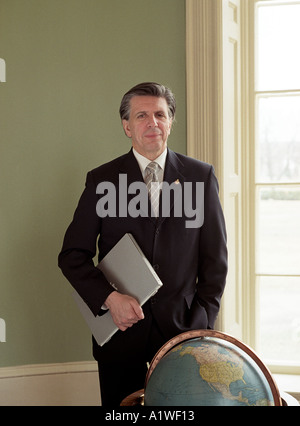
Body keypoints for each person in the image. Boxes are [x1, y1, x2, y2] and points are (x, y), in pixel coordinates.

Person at [58, 82, 227, 406]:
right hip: (120, 334)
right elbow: (71, 255)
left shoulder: (200, 177)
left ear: (170, 121)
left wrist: (200, 325)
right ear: (127, 126)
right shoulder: (101, 180)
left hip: (184, 335)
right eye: (142, 116)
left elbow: (215, 261)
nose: (153, 123)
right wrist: (109, 299)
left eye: (160, 114)